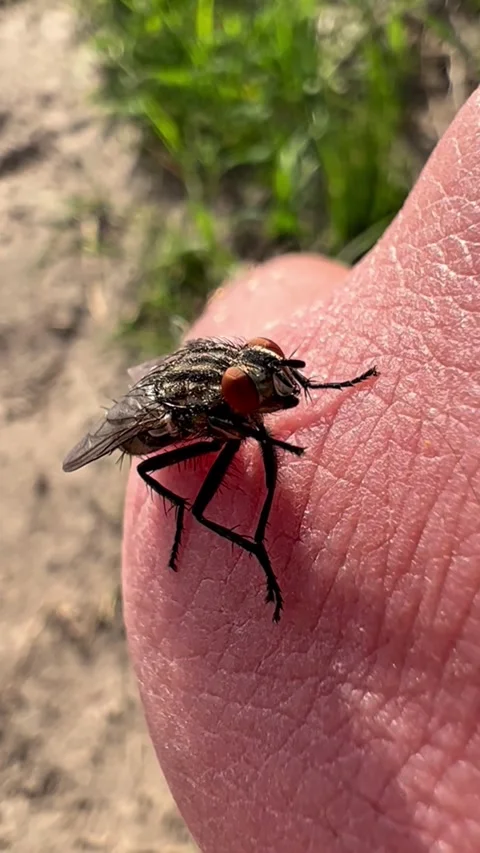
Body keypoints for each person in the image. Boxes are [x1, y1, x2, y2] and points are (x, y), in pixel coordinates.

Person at [122, 88, 480, 852]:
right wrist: (231, 537)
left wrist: (308, 387)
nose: (273, 384)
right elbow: (174, 439)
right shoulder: (195, 424)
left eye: (268, 369)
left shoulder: (240, 377)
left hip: (199, 386)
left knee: (266, 309)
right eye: (259, 389)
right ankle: (217, 532)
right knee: (177, 488)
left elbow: (240, 371)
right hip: (164, 421)